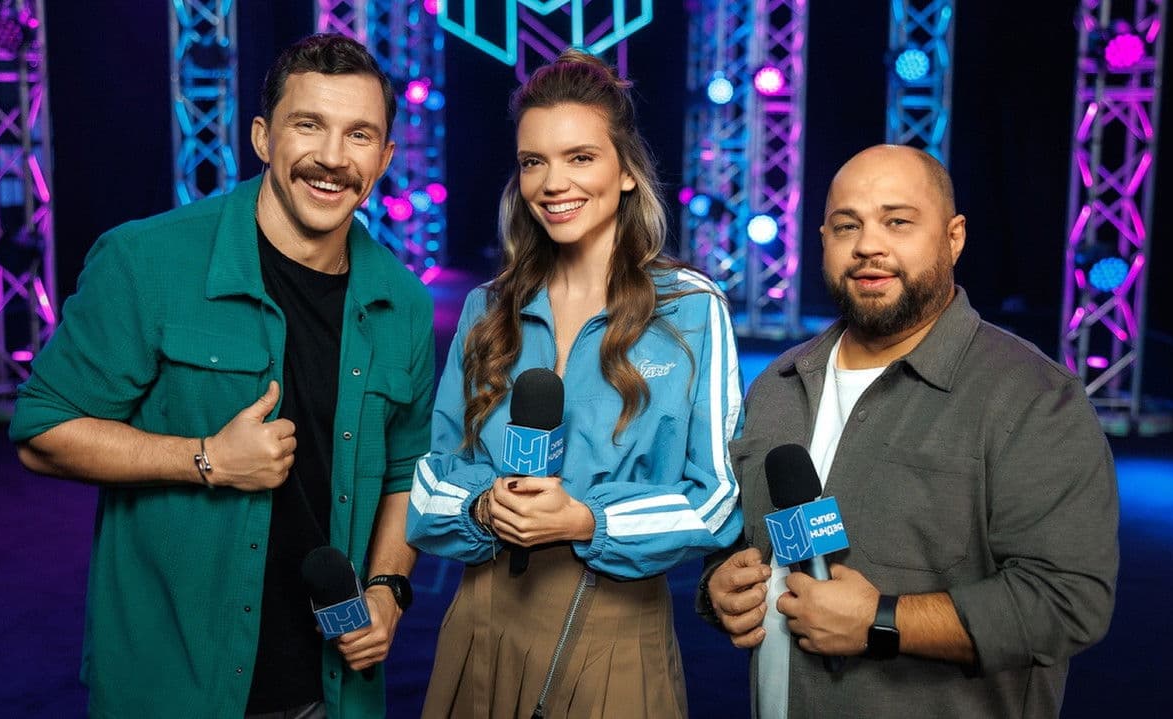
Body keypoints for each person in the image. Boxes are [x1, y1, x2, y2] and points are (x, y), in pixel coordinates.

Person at [8, 33, 433, 719]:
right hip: (174, 686)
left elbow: (406, 473)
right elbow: (41, 432)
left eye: (359, 135)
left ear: (384, 159)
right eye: (309, 125)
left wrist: (388, 589)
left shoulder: (403, 302)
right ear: (263, 137)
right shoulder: (146, 260)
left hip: (331, 690)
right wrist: (206, 459)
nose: (333, 157)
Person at [698, 144, 1119, 717]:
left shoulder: (1033, 397)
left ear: (954, 237)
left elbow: (1068, 601)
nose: (868, 245)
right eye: (847, 226)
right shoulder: (776, 385)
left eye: (897, 222)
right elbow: (734, 541)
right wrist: (720, 587)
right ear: (823, 240)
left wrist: (881, 621)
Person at [406, 50, 743, 718]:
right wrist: (483, 508)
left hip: (613, 630)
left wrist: (589, 519)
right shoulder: (486, 309)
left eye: (580, 157)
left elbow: (716, 499)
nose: (553, 183)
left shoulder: (691, 309)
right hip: (481, 625)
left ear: (626, 171)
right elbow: (428, 483)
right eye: (534, 161)